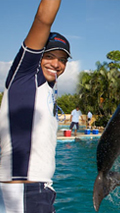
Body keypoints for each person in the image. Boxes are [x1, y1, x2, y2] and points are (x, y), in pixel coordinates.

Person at [0, 0, 71, 212]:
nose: (56, 64)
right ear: (37, 56)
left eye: (62, 59)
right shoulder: (25, 76)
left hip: (36, 189)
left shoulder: (46, 93)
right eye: (49, 56)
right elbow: (43, 19)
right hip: (23, 190)